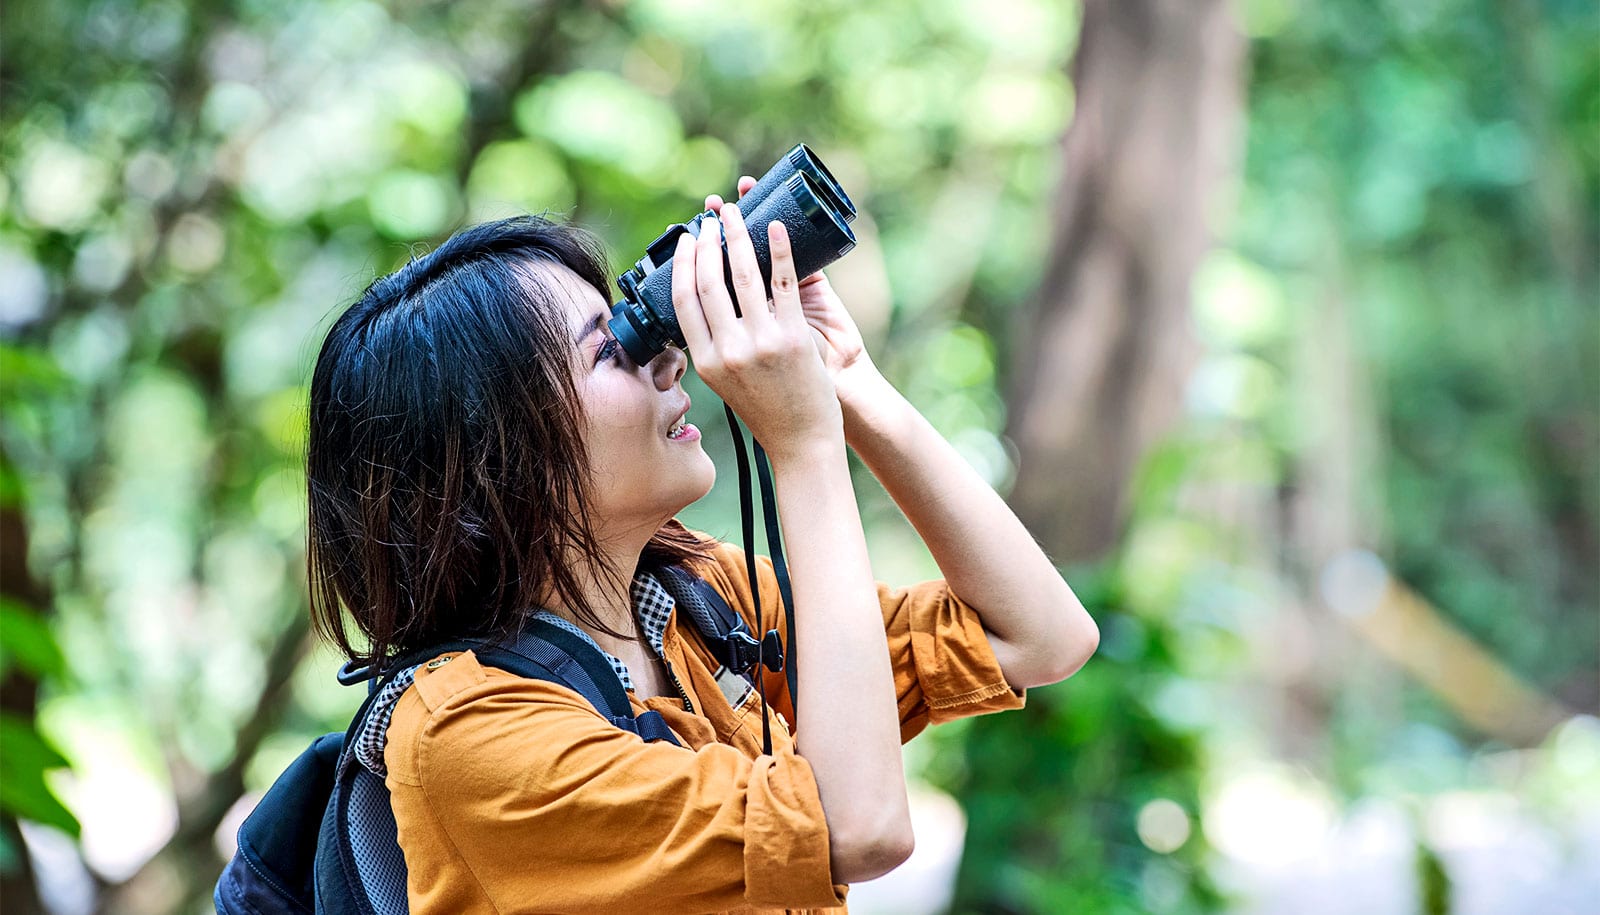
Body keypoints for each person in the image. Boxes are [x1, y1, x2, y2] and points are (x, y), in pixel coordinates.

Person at [304, 179, 1100, 914]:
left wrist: (849, 381)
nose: (667, 355)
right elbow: (858, 830)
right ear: (497, 457)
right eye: (610, 349)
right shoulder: (468, 731)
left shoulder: (697, 601)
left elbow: (1039, 634)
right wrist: (804, 447)